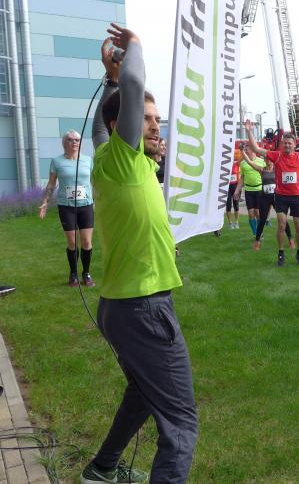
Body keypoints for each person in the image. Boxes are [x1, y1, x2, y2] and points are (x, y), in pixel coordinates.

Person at [81, 24, 197, 483]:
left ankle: (102, 469)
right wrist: (135, 48)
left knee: (144, 394)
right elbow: (134, 84)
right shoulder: (125, 158)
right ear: (123, 127)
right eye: (146, 118)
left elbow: (99, 124)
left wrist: (110, 81)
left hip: (122, 307)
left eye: (156, 119)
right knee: (181, 423)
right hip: (144, 308)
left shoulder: (113, 158)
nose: (154, 125)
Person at [39, 130, 95, 287]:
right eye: (71, 139)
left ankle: (86, 273)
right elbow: (51, 183)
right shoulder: (56, 161)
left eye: (77, 140)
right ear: (64, 143)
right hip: (66, 207)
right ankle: (73, 273)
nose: (74, 142)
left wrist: (98, 199)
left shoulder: (88, 160)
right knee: (72, 241)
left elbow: (94, 181)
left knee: (86, 241)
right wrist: (45, 201)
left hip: (86, 206)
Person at [246, 124, 299, 265]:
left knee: (298, 225)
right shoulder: (277, 156)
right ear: (282, 145)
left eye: (289, 143)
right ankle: (281, 253)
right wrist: (249, 131)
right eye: (285, 143)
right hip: (281, 196)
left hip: (296, 196)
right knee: (281, 224)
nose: (287, 145)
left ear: (294, 145)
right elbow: (256, 149)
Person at [236, 142, 267, 237]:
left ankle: (260, 232)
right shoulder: (243, 163)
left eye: (247, 149)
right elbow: (242, 177)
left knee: (258, 212)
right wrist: (237, 190)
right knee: (250, 213)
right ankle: (255, 233)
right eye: (244, 149)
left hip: (259, 189)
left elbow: (266, 175)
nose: (245, 151)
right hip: (248, 190)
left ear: (253, 150)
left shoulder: (261, 161)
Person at [225, 159, 241, 229]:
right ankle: (230, 223)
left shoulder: (236, 163)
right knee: (228, 205)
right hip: (227, 187)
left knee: (236, 205)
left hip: (235, 186)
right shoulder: (225, 165)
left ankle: (236, 222)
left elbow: (243, 158)